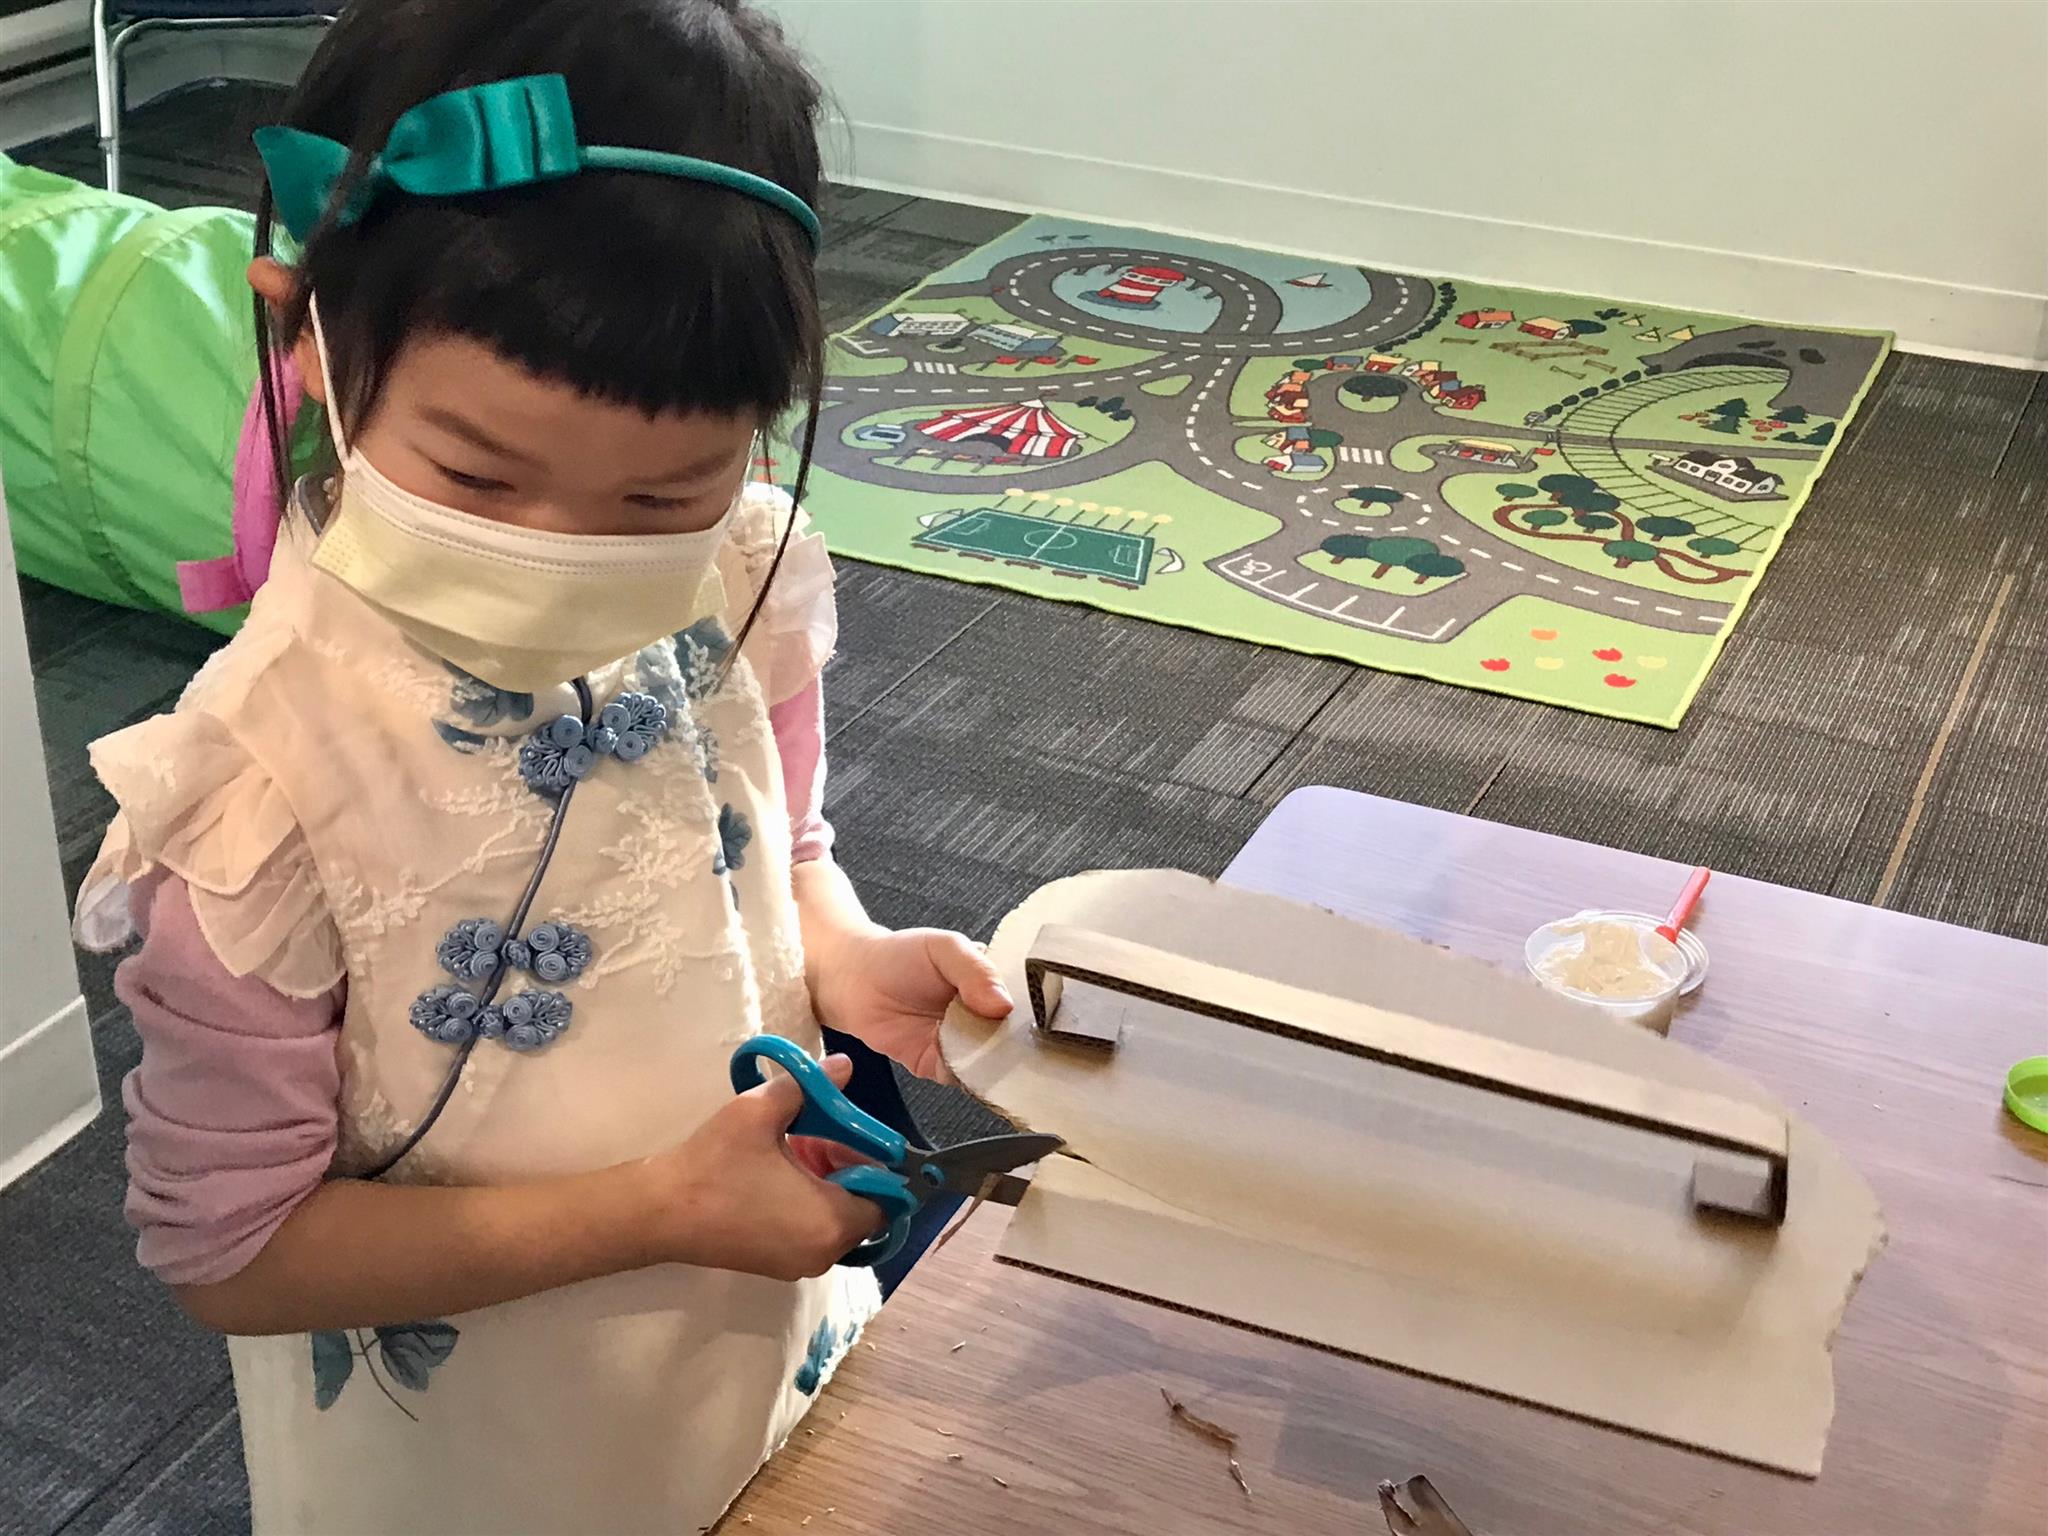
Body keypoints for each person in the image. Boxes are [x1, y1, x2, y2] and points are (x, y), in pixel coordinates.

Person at [69, 3, 1012, 1530]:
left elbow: (780, 844)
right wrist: (656, 1213)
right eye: (479, 475)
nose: (562, 552)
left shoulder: (739, 571)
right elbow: (233, 1255)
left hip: (751, 1329)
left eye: (662, 493)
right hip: (479, 1444)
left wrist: (844, 958)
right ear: (309, 336)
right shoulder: (257, 796)